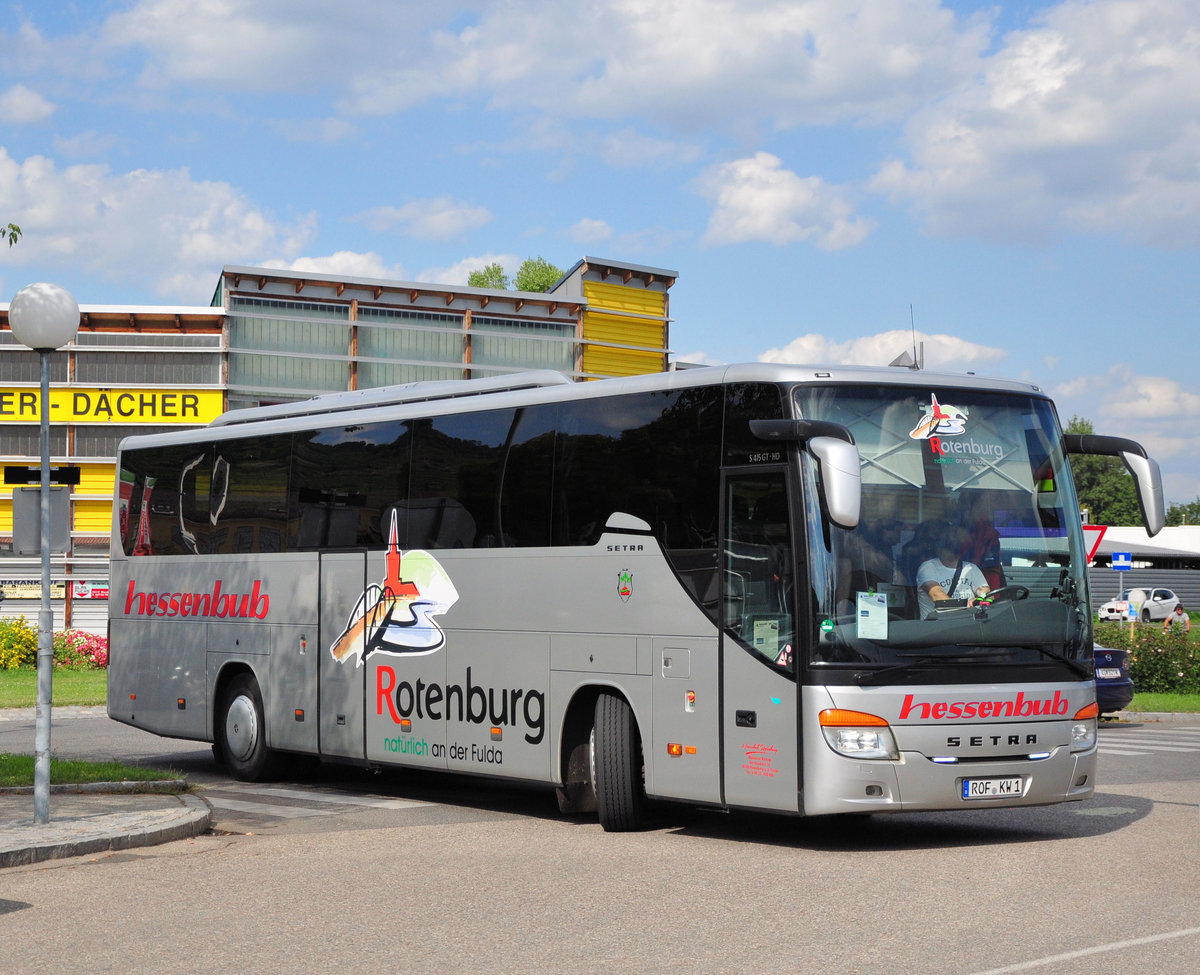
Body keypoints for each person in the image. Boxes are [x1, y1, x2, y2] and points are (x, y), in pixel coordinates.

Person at [916, 525, 991, 618]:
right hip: (936, 627)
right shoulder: (928, 568)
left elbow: (988, 595)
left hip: (967, 625)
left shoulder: (971, 568)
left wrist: (980, 599)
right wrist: (967, 607)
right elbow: (937, 595)